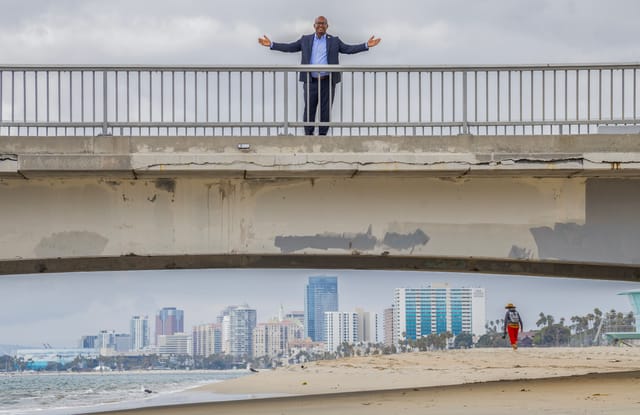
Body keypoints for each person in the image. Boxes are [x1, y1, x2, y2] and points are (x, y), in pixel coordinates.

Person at [258, 16, 381, 135]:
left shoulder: (334, 40)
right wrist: (272, 44)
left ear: (327, 26)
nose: (320, 25)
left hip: (328, 80)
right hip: (310, 80)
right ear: (314, 26)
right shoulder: (305, 40)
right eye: (318, 23)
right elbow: (290, 47)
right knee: (309, 109)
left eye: (323, 23)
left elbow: (348, 49)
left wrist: (366, 45)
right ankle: (308, 134)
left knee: (325, 110)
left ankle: (322, 135)